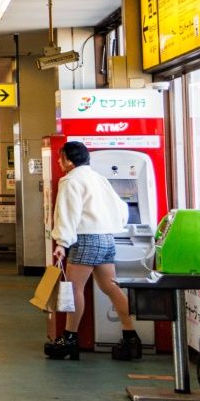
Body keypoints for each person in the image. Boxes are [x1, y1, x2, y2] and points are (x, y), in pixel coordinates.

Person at [45, 141, 141, 361]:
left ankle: (69, 338)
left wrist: (61, 242)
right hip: (107, 238)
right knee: (111, 287)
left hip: (85, 238)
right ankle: (130, 337)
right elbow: (121, 208)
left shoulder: (70, 181)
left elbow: (69, 214)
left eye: (61, 158)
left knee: (74, 288)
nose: (59, 162)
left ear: (69, 160)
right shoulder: (99, 178)